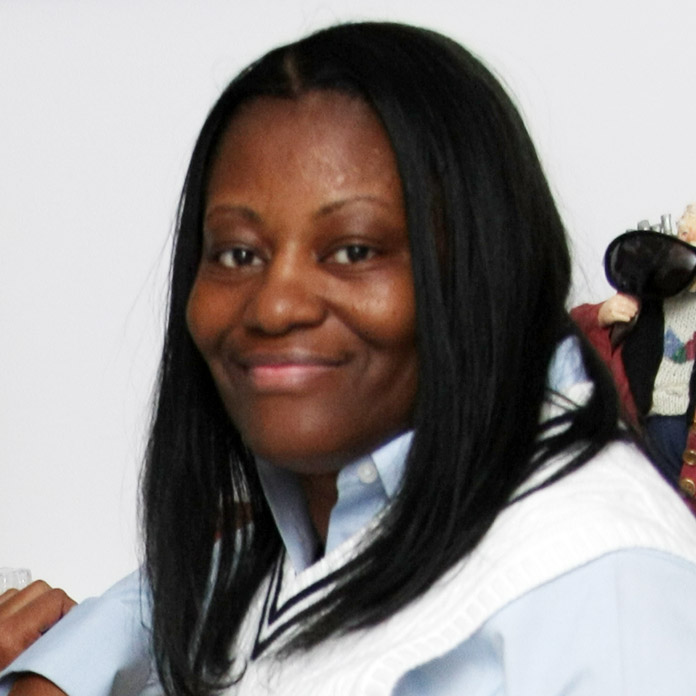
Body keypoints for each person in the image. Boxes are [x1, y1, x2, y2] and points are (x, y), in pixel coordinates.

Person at [3, 21, 696, 696]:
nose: (275, 306)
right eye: (238, 254)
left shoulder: (601, 587)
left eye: (354, 251)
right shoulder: (303, 521)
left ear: (483, 265)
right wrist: (59, 670)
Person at [572, 204, 696, 501]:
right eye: (684, 224)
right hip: (647, 421)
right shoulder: (649, 292)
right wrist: (602, 314)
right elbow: (574, 325)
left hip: (684, 425)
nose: (686, 232)